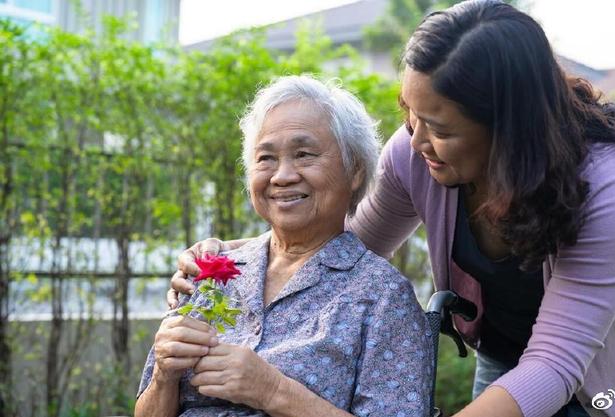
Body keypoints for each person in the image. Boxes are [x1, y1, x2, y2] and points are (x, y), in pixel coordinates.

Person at [169, 2, 615, 417]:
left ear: (505, 129)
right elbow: (346, 244)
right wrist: (232, 261)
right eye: (409, 113)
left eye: (440, 128)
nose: (416, 139)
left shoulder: (609, 182)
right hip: (509, 343)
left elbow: (557, 363)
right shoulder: (414, 152)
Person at [136, 75, 433, 417]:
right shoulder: (211, 273)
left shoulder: (382, 296)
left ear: (354, 170)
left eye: (304, 154)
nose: (282, 176)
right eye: (265, 158)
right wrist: (163, 376)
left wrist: (272, 390)